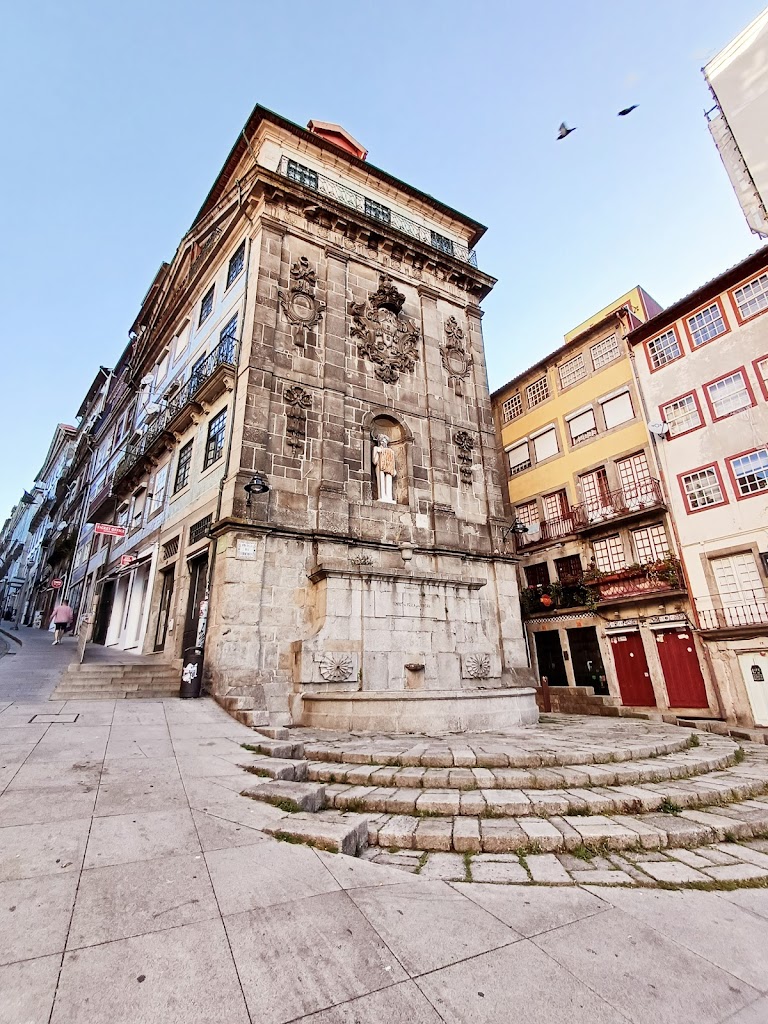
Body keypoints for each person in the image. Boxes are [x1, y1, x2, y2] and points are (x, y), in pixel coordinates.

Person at [372, 434, 397, 503]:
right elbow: (374, 461)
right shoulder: (376, 448)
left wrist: (393, 469)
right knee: (381, 480)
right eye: (382, 441)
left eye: (385, 441)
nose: (384, 442)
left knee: (389, 480)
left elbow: (392, 461)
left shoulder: (390, 451)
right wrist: (378, 453)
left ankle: (389, 497)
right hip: (380, 466)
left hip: (388, 467)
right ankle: (382, 496)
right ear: (379, 441)